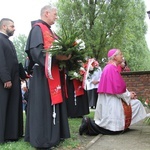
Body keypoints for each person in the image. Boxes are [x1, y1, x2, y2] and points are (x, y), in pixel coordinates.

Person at [24, 5, 71, 149]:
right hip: (42, 75)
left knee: (53, 104)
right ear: (46, 13)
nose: (56, 17)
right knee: (42, 105)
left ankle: (55, 134)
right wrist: (58, 58)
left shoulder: (50, 31)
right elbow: (36, 52)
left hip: (53, 72)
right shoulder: (38, 29)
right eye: (55, 14)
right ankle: (42, 137)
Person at [79, 48, 147, 136]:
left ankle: (90, 125)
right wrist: (129, 95)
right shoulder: (111, 68)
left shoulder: (110, 67)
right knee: (111, 129)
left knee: (111, 126)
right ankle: (88, 124)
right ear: (114, 57)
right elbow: (118, 90)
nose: (122, 56)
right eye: (120, 54)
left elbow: (118, 87)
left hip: (110, 99)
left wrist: (128, 94)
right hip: (111, 101)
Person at [0, 18, 23, 143]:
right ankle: (2, 136)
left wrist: (22, 74)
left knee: (12, 107)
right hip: (4, 81)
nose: (14, 29)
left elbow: (14, 61)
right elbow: (1, 61)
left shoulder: (8, 41)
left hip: (13, 80)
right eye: (12, 26)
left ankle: (12, 134)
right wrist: (6, 78)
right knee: (3, 108)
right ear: (4, 26)